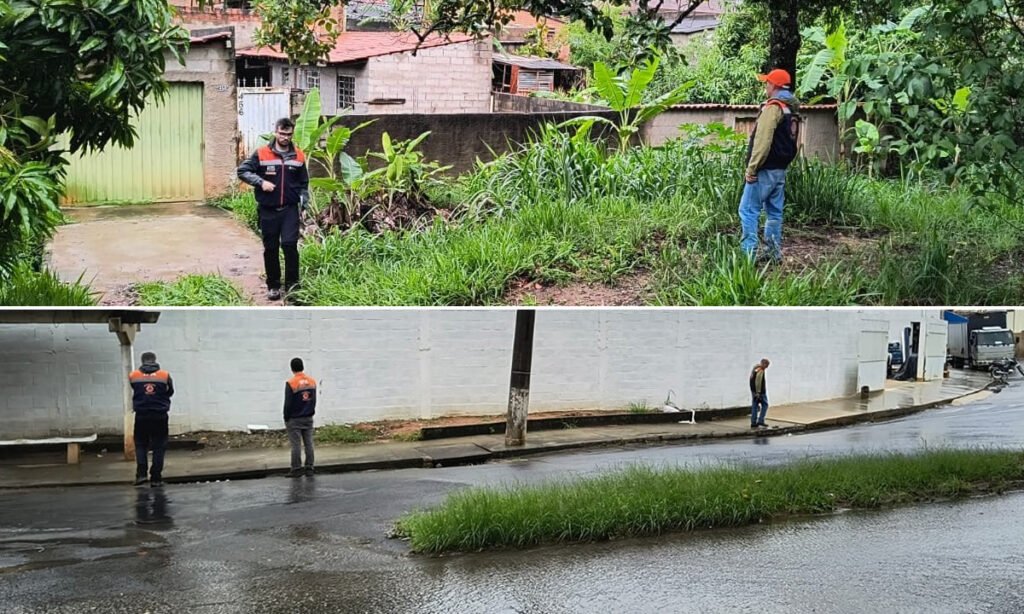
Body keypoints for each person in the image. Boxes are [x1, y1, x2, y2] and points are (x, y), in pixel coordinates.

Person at [237, 117, 310, 302]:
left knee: (290, 246)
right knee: (271, 248)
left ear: (292, 134)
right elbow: (243, 171)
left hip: (290, 210)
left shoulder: (299, 156)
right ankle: (273, 286)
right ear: (276, 132)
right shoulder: (261, 154)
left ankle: (293, 286)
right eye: (282, 133)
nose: (285, 137)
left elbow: (304, 184)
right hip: (268, 210)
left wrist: (305, 205)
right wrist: (261, 182)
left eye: (289, 134)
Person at [739, 68, 802, 262]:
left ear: (773, 86)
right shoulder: (790, 109)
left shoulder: (773, 108)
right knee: (774, 212)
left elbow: (762, 140)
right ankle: (773, 254)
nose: (765, 86)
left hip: (764, 169)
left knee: (748, 210)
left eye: (767, 83)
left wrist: (752, 168)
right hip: (780, 169)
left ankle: (747, 257)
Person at [129, 352, 174, 487]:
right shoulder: (164, 375)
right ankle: (156, 478)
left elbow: (135, 389)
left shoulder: (134, 375)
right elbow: (170, 391)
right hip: (160, 415)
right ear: (155, 360)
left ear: (142, 361)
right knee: (159, 446)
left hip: (141, 415)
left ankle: (141, 475)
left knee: (141, 444)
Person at [284, 357, 317, 477]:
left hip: (295, 418)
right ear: (302, 366)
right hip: (308, 417)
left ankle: (296, 469)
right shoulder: (312, 381)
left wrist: (286, 417)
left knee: (296, 445)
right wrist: (311, 412)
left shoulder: (291, 383)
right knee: (309, 443)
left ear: (292, 368)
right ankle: (309, 468)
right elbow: (313, 400)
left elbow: (288, 403)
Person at [749, 358, 770, 428]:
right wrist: (758, 392)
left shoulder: (755, 369)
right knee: (765, 405)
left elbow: (751, 380)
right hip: (760, 392)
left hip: (754, 391)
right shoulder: (760, 370)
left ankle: (753, 422)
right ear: (764, 364)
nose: (767, 367)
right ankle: (761, 421)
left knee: (754, 406)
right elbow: (758, 382)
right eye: (767, 365)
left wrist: (753, 392)